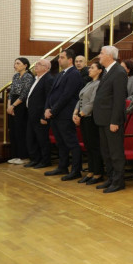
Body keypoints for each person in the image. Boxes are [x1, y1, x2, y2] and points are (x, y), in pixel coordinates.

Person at [43, 49, 84, 180]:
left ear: (70, 60)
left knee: (71, 142)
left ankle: (76, 170)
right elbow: (51, 93)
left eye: (61, 57)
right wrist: (47, 108)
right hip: (56, 114)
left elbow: (67, 95)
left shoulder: (74, 74)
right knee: (61, 143)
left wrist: (53, 110)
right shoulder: (61, 74)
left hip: (65, 114)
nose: (59, 60)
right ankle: (62, 166)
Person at [93, 46, 128, 193]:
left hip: (112, 121)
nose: (99, 56)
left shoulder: (119, 72)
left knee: (115, 152)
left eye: (101, 53)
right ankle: (111, 178)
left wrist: (115, 121)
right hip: (102, 119)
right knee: (106, 152)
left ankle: (119, 181)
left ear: (109, 56)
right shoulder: (107, 71)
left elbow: (119, 100)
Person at [71, 61, 105, 185]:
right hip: (83, 117)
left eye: (92, 68)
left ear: (100, 70)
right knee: (88, 146)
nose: (89, 70)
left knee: (94, 146)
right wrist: (75, 113)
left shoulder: (99, 83)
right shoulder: (89, 83)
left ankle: (98, 173)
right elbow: (80, 99)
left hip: (90, 118)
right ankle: (90, 171)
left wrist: (81, 114)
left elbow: (92, 102)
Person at [25, 59, 54, 168]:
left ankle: (45, 161)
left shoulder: (48, 79)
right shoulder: (35, 78)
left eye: (39, 64)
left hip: (40, 115)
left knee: (42, 139)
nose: (36, 66)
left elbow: (49, 98)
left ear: (46, 68)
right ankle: (35, 159)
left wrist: (44, 116)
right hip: (31, 114)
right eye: (36, 64)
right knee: (31, 138)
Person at [6, 57, 34, 165]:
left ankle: (24, 156)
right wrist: (9, 105)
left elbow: (24, 94)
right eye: (15, 63)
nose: (15, 65)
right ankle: (15, 155)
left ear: (25, 65)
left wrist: (13, 105)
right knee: (13, 130)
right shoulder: (15, 76)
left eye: (18, 63)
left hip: (21, 105)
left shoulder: (28, 76)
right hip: (12, 104)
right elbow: (11, 92)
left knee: (20, 131)